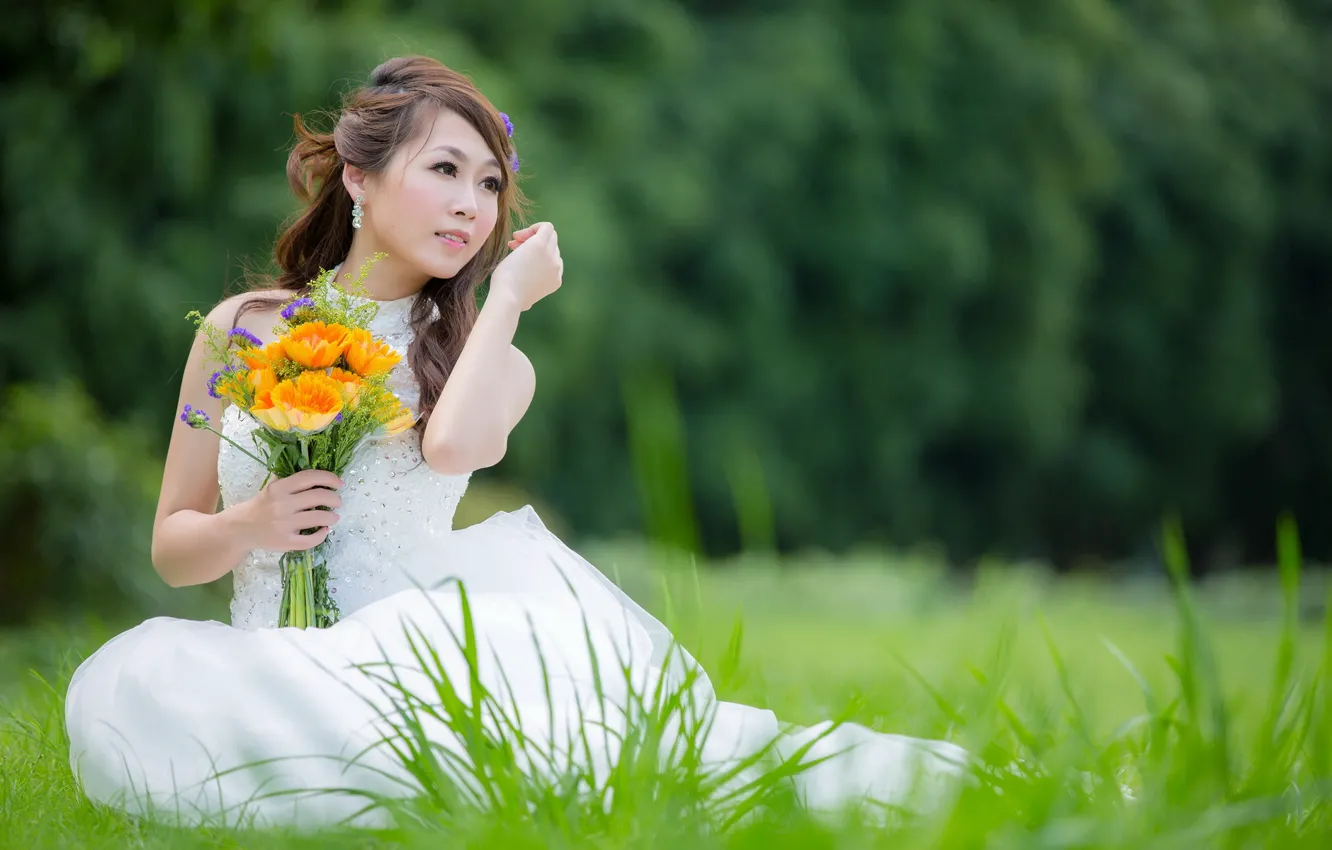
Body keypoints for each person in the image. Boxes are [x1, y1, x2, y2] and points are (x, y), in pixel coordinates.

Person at [64, 55, 967, 829]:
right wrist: (250, 524)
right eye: (446, 171)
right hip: (267, 646)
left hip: (409, 646)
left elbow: (451, 447)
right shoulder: (237, 330)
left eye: (490, 185)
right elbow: (173, 548)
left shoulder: (495, 360)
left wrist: (506, 300)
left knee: (615, 760)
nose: (471, 205)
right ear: (358, 175)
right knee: (136, 698)